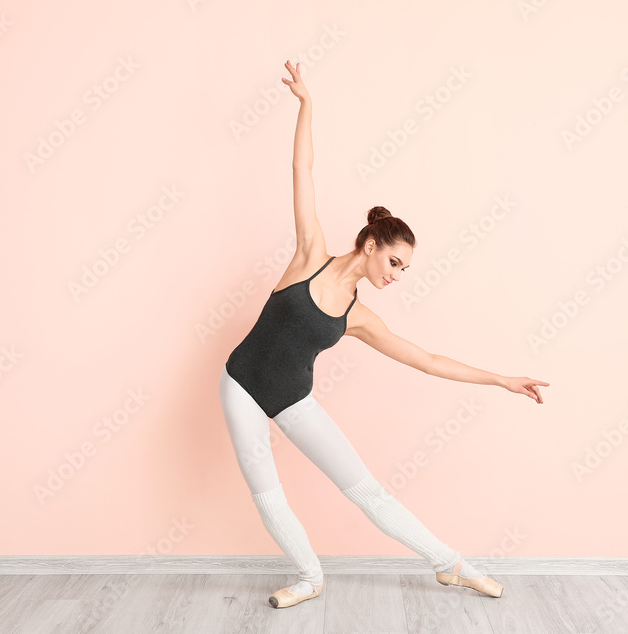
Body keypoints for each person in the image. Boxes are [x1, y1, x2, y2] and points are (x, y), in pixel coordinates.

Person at [219, 60, 550, 609]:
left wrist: (500, 379)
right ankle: (308, 577)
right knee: (267, 492)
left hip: (292, 398)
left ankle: (451, 565)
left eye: (404, 270)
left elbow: (428, 359)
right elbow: (303, 172)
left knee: (367, 491)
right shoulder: (309, 256)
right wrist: (307, 105)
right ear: (370, 244)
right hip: (240, 384)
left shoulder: (359, 317)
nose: (396, 276)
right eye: (394, 262)